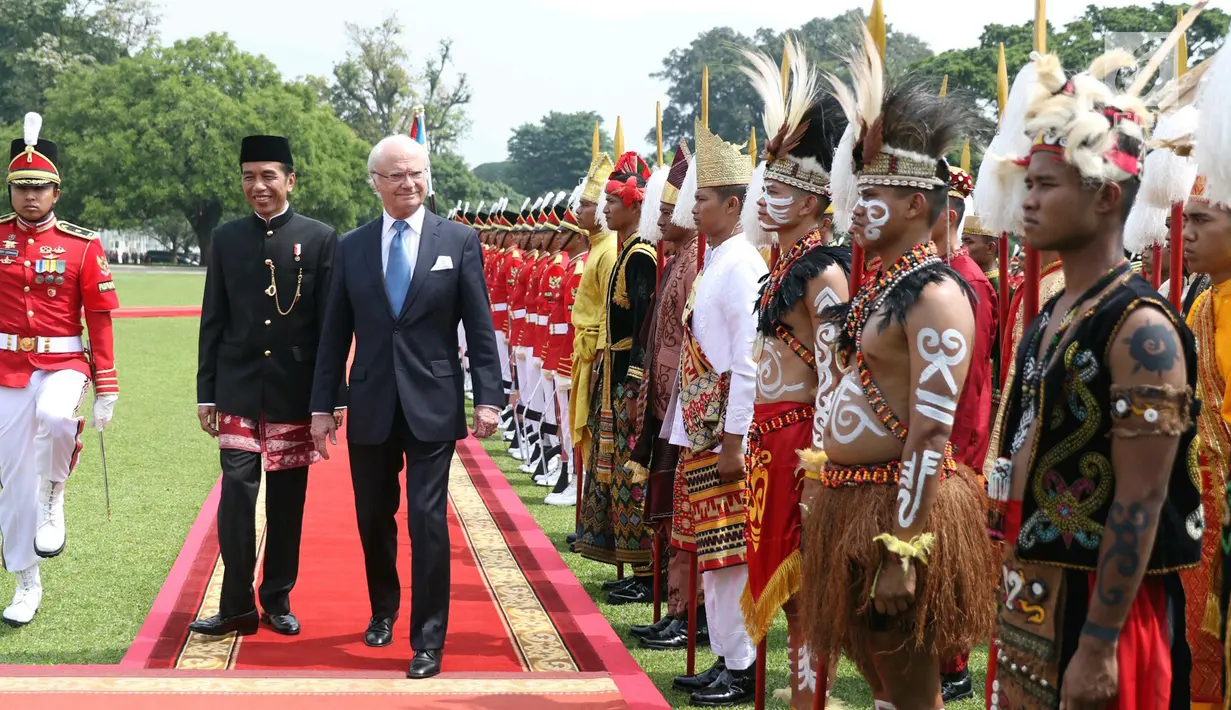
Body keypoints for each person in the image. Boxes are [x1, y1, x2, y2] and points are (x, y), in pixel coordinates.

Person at [983, 50, 1201, 708]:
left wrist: (1100, 642)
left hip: (1104, 613)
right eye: (1027, 181)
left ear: (1105, 195)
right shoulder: (1054, 311)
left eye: (1047, 183)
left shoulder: (1141, 330)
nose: (1028, 198)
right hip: (1035, 591)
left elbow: (1138, 501)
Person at [798, 30, 995, 708]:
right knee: (880, 675)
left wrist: (901, 549)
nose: (852, 209)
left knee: (909, 685)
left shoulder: (937, 295)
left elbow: (931, 434)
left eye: (871, 192)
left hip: (898, 514)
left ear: (917, 205)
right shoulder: (883, 287)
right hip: (852, 500)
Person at [309, 134, 503, 680]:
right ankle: (383, 609)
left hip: (433, 403)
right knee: (373, 518)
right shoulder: (352, 246)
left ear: (428, 176)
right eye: (395, 175)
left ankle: (428, 640)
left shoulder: (459, 241)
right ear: (375, 182)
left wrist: (489, 397)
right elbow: (333, 334)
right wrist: (324, 405)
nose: (408, 184)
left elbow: (480, 326)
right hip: (370, 400)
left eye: (416, 173)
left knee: (426, 519)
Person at [193, 135, 341, 637]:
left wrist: (329, 398)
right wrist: (206, 391)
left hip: (293, 391)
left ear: (290, 180)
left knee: (286, 501)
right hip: (236, 386)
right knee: (236, 492)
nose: (257, 186)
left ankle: (276, 598)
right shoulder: (227, 237)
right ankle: (235, 604)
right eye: (248, 176)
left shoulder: (321, 238)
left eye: (268, 176)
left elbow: (330, 327)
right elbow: (213, 318)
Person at [739, 43, 851, 709]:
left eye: (780, 189)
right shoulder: (779, 267)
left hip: (799, 447)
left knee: (808, 594)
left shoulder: (823, 274)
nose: (765, 198)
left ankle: (813, 696)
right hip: (764, 444)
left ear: (814, 202)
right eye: (765, 185)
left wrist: (820, 469)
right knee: (785, 601)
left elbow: (837, 378)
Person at [0, 112, 119, 626]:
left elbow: (99, 315)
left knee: (54, 417)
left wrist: (107, 385)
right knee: (12, 477)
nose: (30, 197)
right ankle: (27, 582)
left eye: (41, 187)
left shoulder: (82, 244)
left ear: (57, 193)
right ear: (10, 190)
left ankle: (56, 492)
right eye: (21, 187)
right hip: (7, 366)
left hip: (65, 359)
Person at [665, 119, 765, 706]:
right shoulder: (719, 259)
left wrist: (735, 439)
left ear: (732, 204)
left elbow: (749, 362)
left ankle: (744, 664)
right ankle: (729, 657)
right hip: (703, 427)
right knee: (713, 553)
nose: (693, 207)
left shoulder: (743, 265)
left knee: (730, 558)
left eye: (702, 198)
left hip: (723, 432)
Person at [627, 140, 706, 642]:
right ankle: (676, 607)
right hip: (668, 404)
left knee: (688, 517)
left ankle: (688, 614)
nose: (662, 218)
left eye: (671, 208)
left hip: (690, 406)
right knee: (672, 512)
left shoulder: (700, 260)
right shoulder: (680, 258)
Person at [576, 151, 658, 604]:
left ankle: (646, 569)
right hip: (612, 372)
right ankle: (631, 562)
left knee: (632, 470)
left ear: (634, 206)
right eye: (604, 201)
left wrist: (634, 382)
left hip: (628, 377)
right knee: (615, 470)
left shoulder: (640, 256)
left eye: (613, 201)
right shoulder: (626, 250)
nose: (606, 209)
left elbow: (644, 322)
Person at [1177, 174, 1228, 710]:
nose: (1185, 233)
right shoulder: (1203, 307)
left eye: (1201, 221)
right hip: (1204, 513)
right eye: (1185, 219)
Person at [565, 154, 617, 548]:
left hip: (599, 356)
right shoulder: (597, 248)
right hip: (586, 354)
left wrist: (599, 361)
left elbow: (608, 316)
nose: (577, 210)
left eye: (584, 204)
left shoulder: (608, 250)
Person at [539, 192, 589, 497]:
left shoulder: (580, 268)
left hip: (570, 353)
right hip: (560, 350)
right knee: (564, 420)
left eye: (563, 232)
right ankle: (569, 475)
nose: (557, 237)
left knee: (573, 424)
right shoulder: (573, 265)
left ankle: (575, 481)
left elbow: (574, 322)